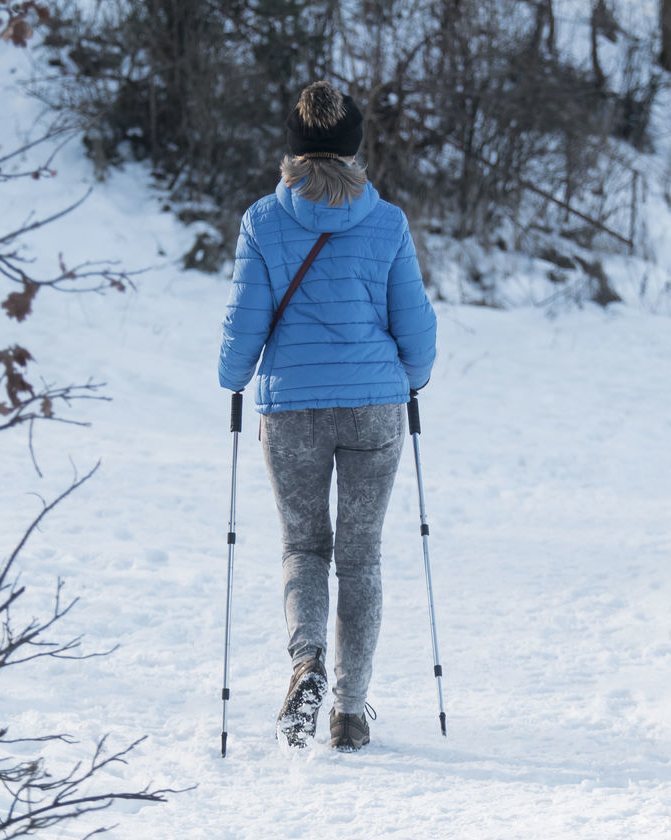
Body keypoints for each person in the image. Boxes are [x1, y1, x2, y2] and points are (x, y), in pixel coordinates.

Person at [218, 81, 437, 751]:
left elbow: (241, 330)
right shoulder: (388, 222)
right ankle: (350, 710)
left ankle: (306, 661)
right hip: (374, 408)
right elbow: (418, 332)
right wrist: (409, 380)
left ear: (291, 149)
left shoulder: (263, 221)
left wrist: (232, 379)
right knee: (360, 558)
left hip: (293, 411)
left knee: (304, 547)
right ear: (353, 150)